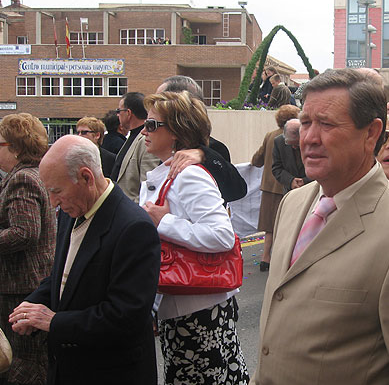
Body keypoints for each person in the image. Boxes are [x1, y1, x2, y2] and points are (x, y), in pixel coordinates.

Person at [246, 69, 389, 385]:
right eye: (306, 122)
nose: (309, 138)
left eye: (326, 124)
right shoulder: (293, 203)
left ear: (372, 133)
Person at [9, 135, 160, 385]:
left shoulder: (133, 228)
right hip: (75, 376)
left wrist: (53, 321)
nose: (53, 202)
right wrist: (31, 305)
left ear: (86, 177)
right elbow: (63, 276)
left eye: (56, 191)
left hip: (113, 383)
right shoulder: (73, 211)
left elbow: (126, 316)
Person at [139, 91, 249, 385]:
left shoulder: (188, 176)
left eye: (151, 124)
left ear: (175, 130)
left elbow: (221, 235)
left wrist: (165, 221)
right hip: (184, 305)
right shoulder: (169, 172)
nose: (143, 131)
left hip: (198, 309)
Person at [0, 114, 55, 385]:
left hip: (20, 284)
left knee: (26, 366)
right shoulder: (32, 173)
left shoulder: (22, 178)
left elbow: (24, 232)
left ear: (14, 146)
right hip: (28, 282)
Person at [156, 75, 248, 203]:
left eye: (160, 100)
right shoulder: (158, 144)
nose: (145, 131)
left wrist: (204, 154)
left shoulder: (212, 149)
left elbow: (236, 190)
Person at [251, 104, 301, 272]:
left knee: (269, 225)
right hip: (288, 186)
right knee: (286, 224)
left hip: (270, 186)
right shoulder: (294, 136)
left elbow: (256, 159)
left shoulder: (270, 136)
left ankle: (265, 257)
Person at [111, 92, 160, 202]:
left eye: (119, 111)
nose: (117, 115)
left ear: (128, 113)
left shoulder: (146, 140)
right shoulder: (132, 136)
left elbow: (148, 185)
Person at [271, 118, 311, 193]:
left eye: (296, 144)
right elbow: (277, 168)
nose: (294, 147)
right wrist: (290, 181)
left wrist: (305, 181)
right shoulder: (279, 142)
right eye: (290, 144)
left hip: (312, 190)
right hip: (290, 192)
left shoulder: (313, 141)